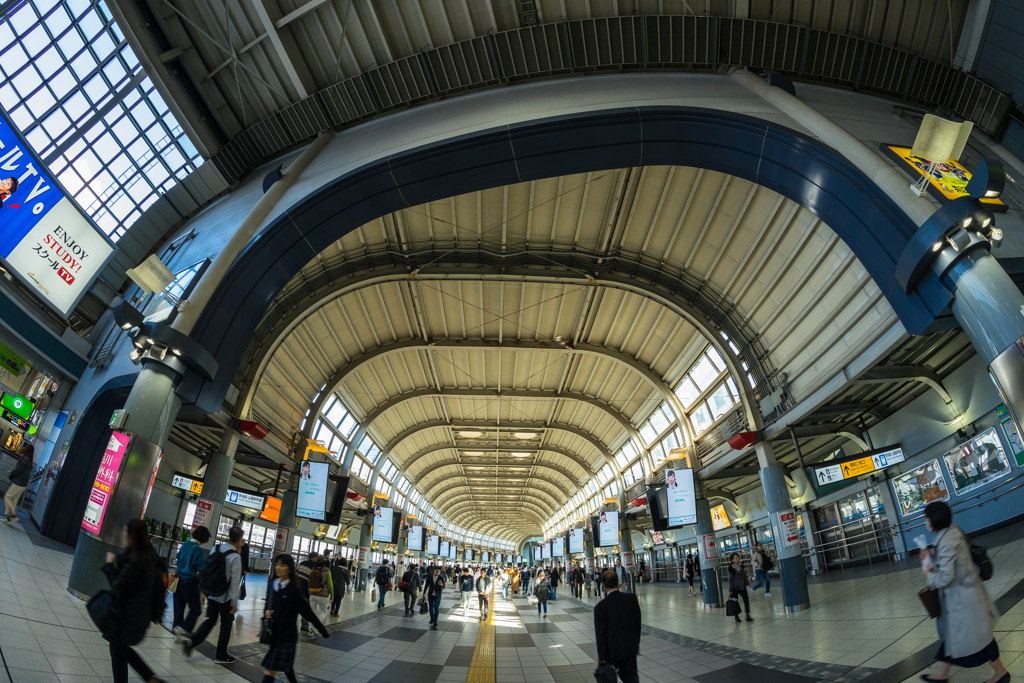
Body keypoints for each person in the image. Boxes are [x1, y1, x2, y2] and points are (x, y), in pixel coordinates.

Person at [919, 501, 1008, 683]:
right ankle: (943, 674)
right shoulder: (953, 530)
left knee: (980, 638)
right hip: (967, 594)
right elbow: (954, 559)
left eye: (927, 519)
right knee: (958, 637)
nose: (926, 522)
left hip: (962, 600)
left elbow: (944, 578)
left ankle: (1001, 674)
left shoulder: (945, 543)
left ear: (934, 521)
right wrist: (931, 555)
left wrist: (928, 572)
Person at [101, 519, 166, 683]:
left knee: (117, 648)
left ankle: (149, 678)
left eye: (124, 531)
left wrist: (109, 565)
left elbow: (118, 585)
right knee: (121, 648)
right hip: (142, 614)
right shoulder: (150, 553)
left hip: (128, 616)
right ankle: (150, 678)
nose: (123, 534)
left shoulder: (134, 559)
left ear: (131, 536)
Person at [261, 554, 330, 683]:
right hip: (276, 635)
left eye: (282, 565)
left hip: (287, 637)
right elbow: (267, 608)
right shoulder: (272, 585)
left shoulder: (294, 590)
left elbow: (308, 612)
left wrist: (323, 631)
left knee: (271, 669)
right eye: (277, 564)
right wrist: (266, 615)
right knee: (286, 669)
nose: (278, 567)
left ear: (290, 569)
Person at [183, 526, 245, 663]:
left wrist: (204, 591)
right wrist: (234, 602)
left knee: (211, 620)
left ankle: (192, 641)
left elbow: (208, 570)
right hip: (225, 596)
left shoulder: (215, 548)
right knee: (226, 624)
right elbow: (235, 582)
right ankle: (221, 655)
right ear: (239, 539)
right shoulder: (235, 556)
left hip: (212, 593)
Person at [594, 569, 641, 683]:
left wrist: (602, 658)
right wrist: (635, 643)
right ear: (618, 582)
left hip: (611, 653)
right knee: (631, 678)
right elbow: (637, 624)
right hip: (629, 648)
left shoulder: (600, 607)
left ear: (603, 585)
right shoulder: (631, 599)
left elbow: (600, 635)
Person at [172, 525, 211, 637]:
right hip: (190, 582)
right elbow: (199, 568)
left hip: (179, 580)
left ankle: (176, 632)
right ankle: (183, 629)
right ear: (203, 538)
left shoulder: (185, 544)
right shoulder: (198, 550)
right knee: (196, 609)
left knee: (179, 609)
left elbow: (178, 557)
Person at [3, 443, 33, 523]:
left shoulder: (25, 459)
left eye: (25, 448)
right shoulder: (29, 460)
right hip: (22, 484)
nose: (23, 448)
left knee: (7, 497)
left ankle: (13, 515)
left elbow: (19, 469)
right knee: (13, 500)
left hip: (19, 483)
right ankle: (9, 519)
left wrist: (11, 473)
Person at [727, 553, 753, 623]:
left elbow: (744, 576)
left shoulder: (741, 566)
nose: (738, 558)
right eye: (736, 557)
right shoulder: (731, 569)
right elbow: (730, 580)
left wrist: (745, 571)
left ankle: (747, 614)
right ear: (732, 560)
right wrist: (730, 589)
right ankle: (736, 616)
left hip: (742, 587)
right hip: (734, 588)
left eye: (738, 557)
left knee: (746, 599)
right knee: (735, 602)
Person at [296, 551, 318, 632]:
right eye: (316, 557)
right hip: (305, 591)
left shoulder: (301, 563)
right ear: (312, 558)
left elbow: (295, 574)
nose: (317, 559)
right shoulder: (314, 568)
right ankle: (304, 627)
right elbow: (312, 582)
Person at [308, 554, 334, 620]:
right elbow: (330, 584)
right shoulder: (327, 571)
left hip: (312, 594)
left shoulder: (313, 570)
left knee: (312, 612)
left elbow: (309, 581)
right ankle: (316, 627)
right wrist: (332, 595)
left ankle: (310, 628)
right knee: (324, 612)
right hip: (322, 595)